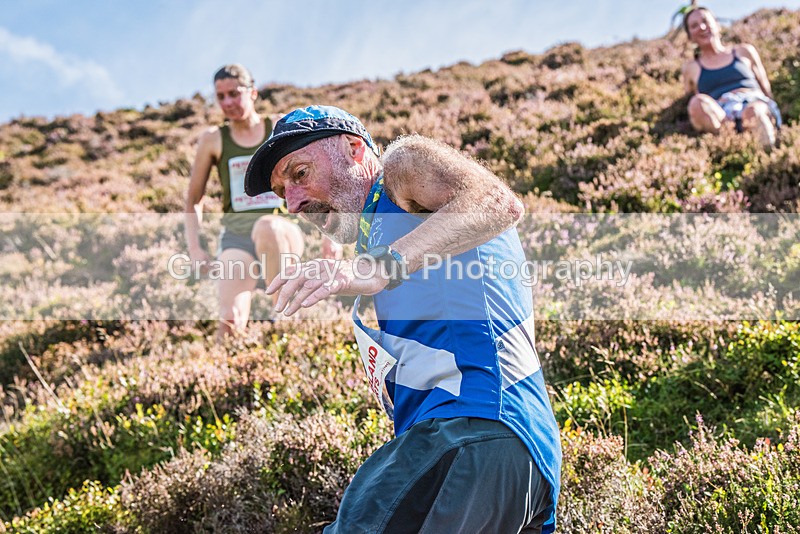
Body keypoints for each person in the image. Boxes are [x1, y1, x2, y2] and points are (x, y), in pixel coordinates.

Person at [244, 105, 561, 533]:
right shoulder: (382, 234)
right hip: (507, 456)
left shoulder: (400, 168)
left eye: (299, 174)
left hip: (471, 430)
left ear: (355, 149)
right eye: (284, 196)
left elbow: (496, 201)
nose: (296, 202)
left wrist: (380, 266)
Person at [184, 64, 307, 341]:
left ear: (252, 92)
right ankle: (222, 375)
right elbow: (193, 199)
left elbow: (313, 177)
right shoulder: (213, 140)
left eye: (234, 93)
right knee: (229, 322)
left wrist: (331, 239)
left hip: (282, 231)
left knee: (268, 228)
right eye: (221, 96)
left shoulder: (279, 126)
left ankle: (286, 330)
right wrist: (194, 248)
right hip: (237, 238)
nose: (227, 102)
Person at [681, 5, 780, 147]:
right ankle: (733, 141)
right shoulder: (691, 68)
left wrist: (771, 109)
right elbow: (690, 98)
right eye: (694, 25)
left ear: (717, 24)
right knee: (696, 103)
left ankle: (768, 156)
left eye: (705, 21)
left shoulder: (744, 51)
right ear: (690, 36)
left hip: (754, 103)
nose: (702, 27)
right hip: (722, 114)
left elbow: (765, 87)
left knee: (753, 112)